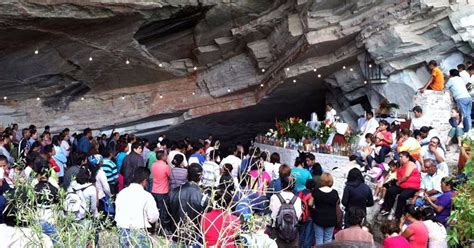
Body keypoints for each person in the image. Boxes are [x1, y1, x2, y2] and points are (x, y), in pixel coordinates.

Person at [115, 167, 159, 247]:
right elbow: (153, 217)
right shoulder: (147, 196)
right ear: (145, 181)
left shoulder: (121, 193)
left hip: (123, 229)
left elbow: (117, 212)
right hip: (140, 231)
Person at [168, 164, 208, 236]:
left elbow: (167, 214)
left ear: (187, 174)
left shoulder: (174, 192)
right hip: (194, 234)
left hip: (175, 232)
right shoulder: (203, 196)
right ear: (200, 176)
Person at [381, 151, 421, 219]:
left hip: (412, 186)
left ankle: (397, 215)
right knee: (391, 190)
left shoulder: (410, 164)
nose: (400, 158)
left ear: (407, 158)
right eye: (399, 156)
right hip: (403, 184)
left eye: (401, 156)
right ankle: (386, 208)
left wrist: (398, 183)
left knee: (402, 196)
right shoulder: (401, 165)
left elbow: (406, 176)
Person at [269, 176, 302, 247]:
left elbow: (273, 215)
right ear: (293, 187)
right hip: (293, 233)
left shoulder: (274, 197)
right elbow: (298, 217)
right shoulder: (297, 200)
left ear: (282, 185)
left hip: (277, 232)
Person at [32, 159, 60, 243]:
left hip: (37, 218)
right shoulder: (54, 186)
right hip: (50, 220)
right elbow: (58, 203)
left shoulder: (33, 186)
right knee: (56, 243)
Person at [311, 172, 339, 245]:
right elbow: (338, 204)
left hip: (318, 218)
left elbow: (310, 203)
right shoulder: (334, 193)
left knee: (319, 238)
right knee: (328, 239)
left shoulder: (316, 191)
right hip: (331, 219)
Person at [150, 149, 171, 231]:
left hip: (154, 190)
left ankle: (153, 227)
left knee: (155, 209)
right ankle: (162, 229)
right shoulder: (166, 167)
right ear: (163, 157)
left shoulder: (153, 165)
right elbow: (170, 176)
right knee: (163, 212)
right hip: (163, 191)